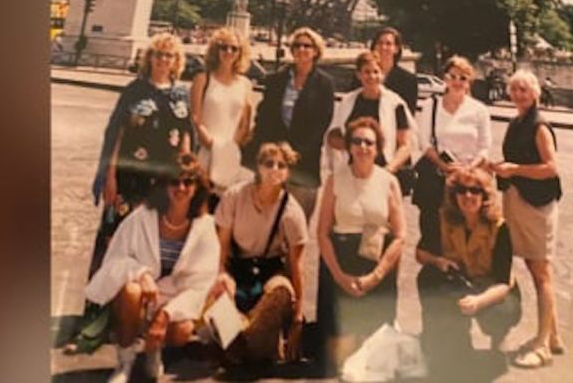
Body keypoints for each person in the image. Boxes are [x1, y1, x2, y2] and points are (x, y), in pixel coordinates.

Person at [84, 155, 218, 383]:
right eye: (174, 182)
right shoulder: (141, 217)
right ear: (165, 185)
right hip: (141, 297)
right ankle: (124, 363)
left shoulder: (205, 227)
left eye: (188, 183)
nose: (181, 188)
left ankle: (153, 352)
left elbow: (200, 285)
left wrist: (165, 314)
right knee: (130, 292)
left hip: (173, 299)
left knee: (183, 330)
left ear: (197, 189)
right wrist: (141, 274)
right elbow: (114, 260)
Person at [89, 33, 194, 273]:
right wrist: (110, 175)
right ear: (150, 58)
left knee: (153, 237)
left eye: (169, 55)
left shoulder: (181, 94)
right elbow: (117, 134)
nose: (163, 59)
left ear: (176, 60)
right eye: (158, 54)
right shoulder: (134, 90)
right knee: (116, 234)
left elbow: (187, 134)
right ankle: (104, 297)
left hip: (164, 177)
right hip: (129, 175)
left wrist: (185, 173)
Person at [487, 70, 565, 369]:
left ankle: (542, 346)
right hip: (519, 200)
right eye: (515, 89)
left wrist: (515, 169)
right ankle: (554, 336)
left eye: (524, 90)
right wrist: (498, 167)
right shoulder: (517, 121)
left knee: (541, 272)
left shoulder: (539, 125)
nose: (519, 94)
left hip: (537, 205)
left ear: (535, 93)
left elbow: (551, 168)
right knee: (536, 269)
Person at [317, 117, 405, 371]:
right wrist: (339, 277)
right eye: (356, 141)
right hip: (340, 262)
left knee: (375, 363)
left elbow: (400, 235)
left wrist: (376, 276)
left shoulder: (389, 181)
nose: (363, 147)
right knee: (339, 363)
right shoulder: (336, 179)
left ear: (378, 148)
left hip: (377, 263)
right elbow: (322, 233)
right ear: (348, 146)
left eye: (369, 142)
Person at [415, 167, 521, 378]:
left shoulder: (500, 228)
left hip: (490, 288)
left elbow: (502, 282)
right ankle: (448, 336)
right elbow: (420, 253)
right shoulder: (444, 219)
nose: (468, 196)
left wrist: (479, 301)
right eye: (462, 191)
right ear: (454, 195)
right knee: (428, 277)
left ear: (484, 197)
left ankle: (497, 339)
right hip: (460, 282)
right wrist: (438, 260)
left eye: (475, 191)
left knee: (503, 312)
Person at [209, 142, 308, 364]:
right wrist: (221, 275)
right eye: (268, 163)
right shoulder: (235, 196)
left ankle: (242, 338)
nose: (274, 169)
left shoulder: (292, 212)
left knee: (282, 291)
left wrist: (297, 318)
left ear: (288, 172)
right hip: (237, 266)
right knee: (221, 286)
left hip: (269, 269)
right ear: (258, 167)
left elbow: (297, 265)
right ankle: (245, 341)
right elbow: (221, 246)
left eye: (281, 165)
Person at [249, 27, 336, 218]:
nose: (302, 49)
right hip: (273, 159)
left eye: (307, 45)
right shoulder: (276, 80)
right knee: (263, 220)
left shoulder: (325, 84)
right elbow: (264, 117)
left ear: (316, 51)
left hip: (304, 163)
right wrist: (277, 148)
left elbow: (322, 124)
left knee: (297, 224)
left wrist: (295, 152)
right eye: (297, 45)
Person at [412, 56, 493, 216]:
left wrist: (468, 169)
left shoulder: (479, 110)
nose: (457, 82)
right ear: (445, 78)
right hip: (437, 178)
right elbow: (424, 142)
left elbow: (485, 147)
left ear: (469, 81)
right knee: (433, 230)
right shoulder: (431, 105)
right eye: (452, 76)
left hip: (468, 181)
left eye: (462, 78)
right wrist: (444, 166)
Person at [324, 51, 414, 189]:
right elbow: (332, 137)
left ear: (382, 74)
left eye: (376, 72)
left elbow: (406, 145)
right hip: (350, 173)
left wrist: (389, 170)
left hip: (383, 173)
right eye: (367, 72)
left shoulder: (395, 104)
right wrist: (355, 147)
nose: (372, 76)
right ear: (359, 75)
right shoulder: (347, 102)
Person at [191, 28, 254, 196]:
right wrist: (212, 145)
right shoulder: (202, 79)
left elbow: (244, 124)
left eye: (234, 48)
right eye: (223, 47)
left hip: (231, 155)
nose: (228, 52)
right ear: (215, 50)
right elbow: (196, 118)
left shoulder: (245, 84)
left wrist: (228, 150)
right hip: (205, 152)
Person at [351, 27, 419, 112]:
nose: (383, 47)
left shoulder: (408, 80)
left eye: (388, 44)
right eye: (380, 43)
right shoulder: (362, 75)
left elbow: (408, 114)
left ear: (396, 49)